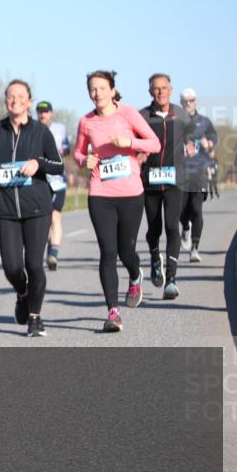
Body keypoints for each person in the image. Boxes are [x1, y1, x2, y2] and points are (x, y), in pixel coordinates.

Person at [74, 71, 159, 332]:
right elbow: (78, 151)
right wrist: (82, 160)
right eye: (92, 89)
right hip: (100, 194)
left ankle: (135, 275)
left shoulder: (128, 114)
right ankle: (113, 312)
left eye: (101, 88)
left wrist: (129, 142)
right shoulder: (85, 122)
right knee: (108, 253)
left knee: (126, 251)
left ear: (112, 90)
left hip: (131, 193)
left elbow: (154, 143)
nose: (97, 93)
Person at [0, 80, 64, 337]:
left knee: (34, 265)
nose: (15, 99)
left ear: (29, 101)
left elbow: (58, 165)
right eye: (10, 96)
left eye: (20, 96)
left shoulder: (40, 132)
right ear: (6, 101)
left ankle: (35, 318)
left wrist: (37, 163)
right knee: (12, 267)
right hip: (6, 209)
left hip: (37, 208)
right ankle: (22, 293)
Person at [138, 73, 191, 300]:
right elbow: (134, 142)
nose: (160, 92)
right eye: (156, 89)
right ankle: (154, 259)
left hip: (174, 180)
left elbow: (192, 137)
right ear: (150, 92)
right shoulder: (141, 116)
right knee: (154, 229)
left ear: (170, 89)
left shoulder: (181, 114)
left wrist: (191, 145)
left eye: (164, 88)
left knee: (171, 226)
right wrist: (138, 153)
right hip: (149, 180)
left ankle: (171, 279)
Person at [179, 88, 218, 263]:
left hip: (199, 172)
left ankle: (195, 248)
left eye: (191, 100)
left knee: (197, 210)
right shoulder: (175, 121)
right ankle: (185, 227)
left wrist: (207, 143)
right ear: (181, 103)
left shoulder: (204, 122)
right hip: (180, 172)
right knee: (181, 211)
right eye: (185, 101)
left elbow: (213, 140)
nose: (188, 103)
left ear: (196, 101)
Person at [35, 101, 71, 270]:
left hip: (57, 180)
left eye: (46, 111)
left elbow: (67, 148)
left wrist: (59, 151)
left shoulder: (60, 129)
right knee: (43, 218)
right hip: (39, 180)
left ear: (51, 113)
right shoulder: (31, 129)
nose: (43, 115)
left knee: (55, 216)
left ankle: (53, 254)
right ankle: (49, 244)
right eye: (40, 112)